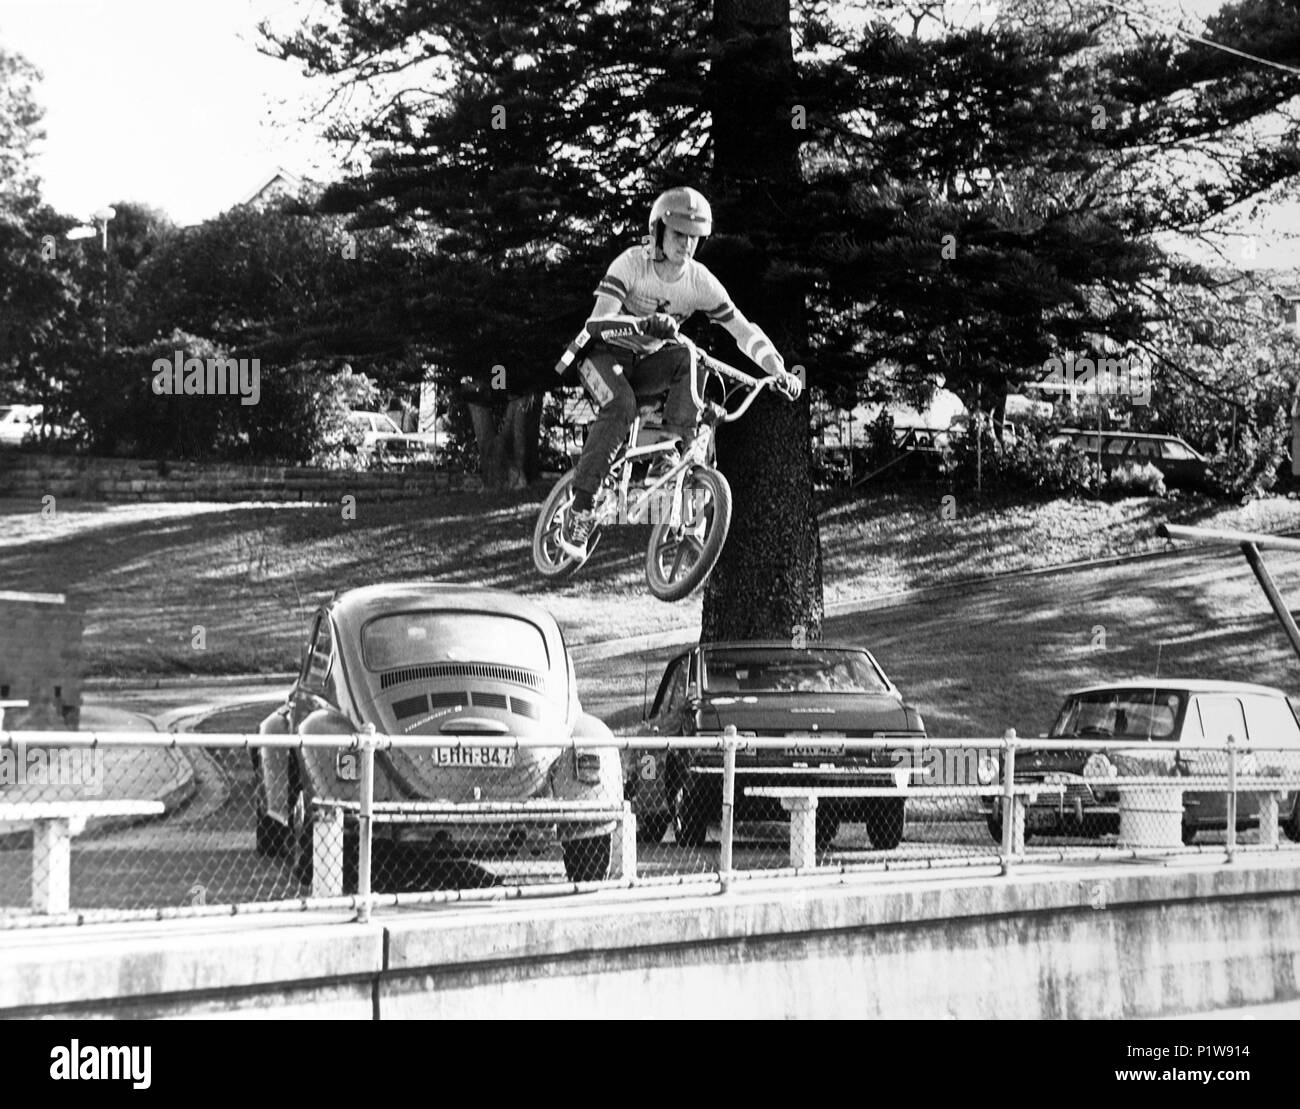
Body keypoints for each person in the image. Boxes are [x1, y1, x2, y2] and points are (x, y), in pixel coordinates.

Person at [553, 185, 803, 553]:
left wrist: (777, 369)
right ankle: (580, 508)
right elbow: (596, 323)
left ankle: (667, 459)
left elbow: (741, 330)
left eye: (694, 238)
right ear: (658, 230)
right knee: (621, 406)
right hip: (602, 357)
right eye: (679, 235)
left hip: (646, 364)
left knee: (693, 358)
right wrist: (642, 324)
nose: (687, 245)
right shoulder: (632, 264)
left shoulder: (699, 281)